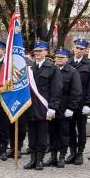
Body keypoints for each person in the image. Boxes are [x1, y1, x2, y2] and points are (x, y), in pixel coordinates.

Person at [24, 41, 62, 170]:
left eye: (40, 51)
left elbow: (56, 90)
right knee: (32, 134)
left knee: (42, 135)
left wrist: (53, 107)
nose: (37, 53)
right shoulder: (29, 68)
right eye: (35, 51)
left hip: (44, 107)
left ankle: (40, 160)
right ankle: (33, 159)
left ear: (46, 52)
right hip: (30, 106)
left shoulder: (53, 68)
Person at [44, 48, 81, 168]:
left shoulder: (72, 72)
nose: (59, 59)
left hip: (64, 108)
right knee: (52, 132)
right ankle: (53, 156)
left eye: (62, 57)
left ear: (67, 59)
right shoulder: (50, 70)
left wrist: (71, 107)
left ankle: (62, 156)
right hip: (51, 107)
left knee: (63, 133)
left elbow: (76, 92)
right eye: (57, 57)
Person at [67, 38, 90, 165]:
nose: (78, 50)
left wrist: (88, 104)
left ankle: (80, 153)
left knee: (81, 129)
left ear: (85, 51)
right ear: (73, 48)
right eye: (77, 48)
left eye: (81, 49)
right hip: (69, 102)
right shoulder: (68, 62)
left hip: (82, 102)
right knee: (69, 128)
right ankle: (72, 152)